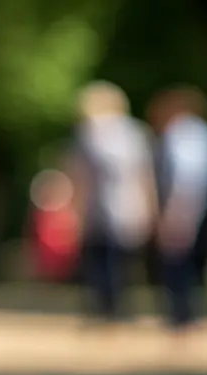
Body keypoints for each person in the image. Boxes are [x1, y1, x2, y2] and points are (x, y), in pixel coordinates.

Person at [68, 81, 158, 323]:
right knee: (124, 263)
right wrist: (151, 207)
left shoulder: (88, 133)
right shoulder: (136, 133)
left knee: (99, 261)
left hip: (99, 208)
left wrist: (76, 210)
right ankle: (119, 310)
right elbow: (145, 175)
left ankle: (104, 309)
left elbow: (81, 176)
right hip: (131, 206)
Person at [147, 86, 207, 331]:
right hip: (200, 205)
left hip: (183, 205)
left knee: (178, 263)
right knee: (192, 262)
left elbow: (184, 179)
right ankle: (186, 313)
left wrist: (174, 213)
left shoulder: (182, 134)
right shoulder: (204, 133)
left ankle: (181, 314)